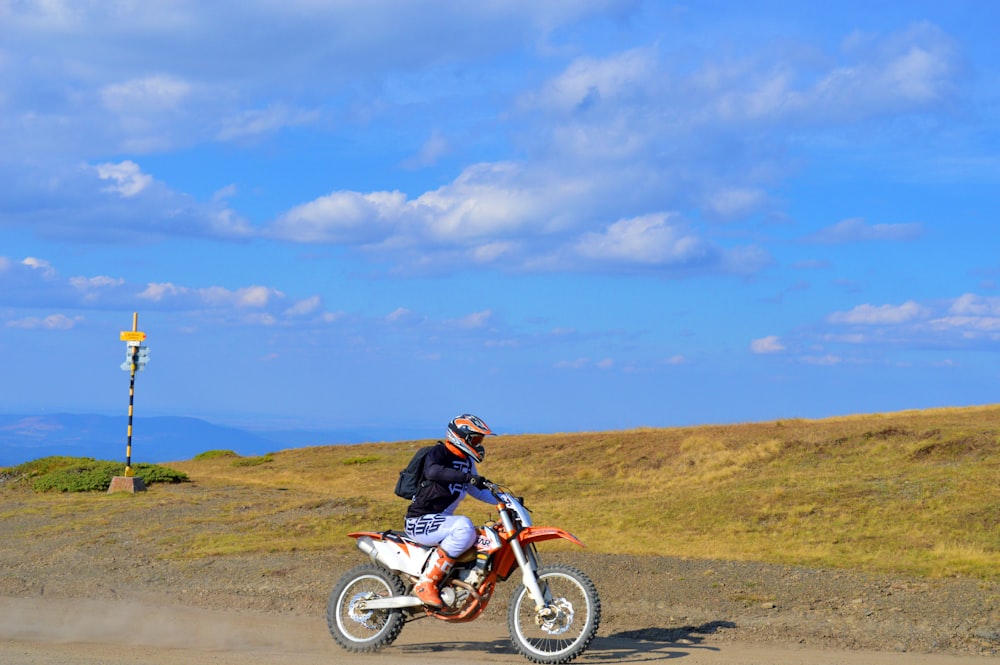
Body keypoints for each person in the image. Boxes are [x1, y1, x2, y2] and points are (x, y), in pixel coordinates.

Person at [404, 413, 496, 607]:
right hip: (420, 520)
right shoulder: (440, 452)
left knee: (481, 536)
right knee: (464, 526)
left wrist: (507, 501)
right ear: (460, 437)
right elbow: (433, 471)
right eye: (476, 439)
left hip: (439, 521)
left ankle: (455, 581)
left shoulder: (467, 462)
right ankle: (426, 583)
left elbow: (478, 490)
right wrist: (467, 478)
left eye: (481, 439)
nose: (479, 444)